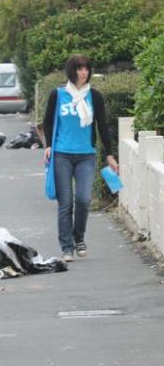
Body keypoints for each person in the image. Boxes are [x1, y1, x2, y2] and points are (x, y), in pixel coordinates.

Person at [43, 54, 119, 262]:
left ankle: (79, 237)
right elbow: (47, 122)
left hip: (86, 155)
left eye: (86, 68)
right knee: (65, 203)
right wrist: (49, 145)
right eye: (79, 68)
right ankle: (67, 247)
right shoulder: (57, 95)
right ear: (71, 71)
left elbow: (102, 126)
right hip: (62, 155)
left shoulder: (94, 96)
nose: (83, 72)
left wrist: (110, 154)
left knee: (84, 199)